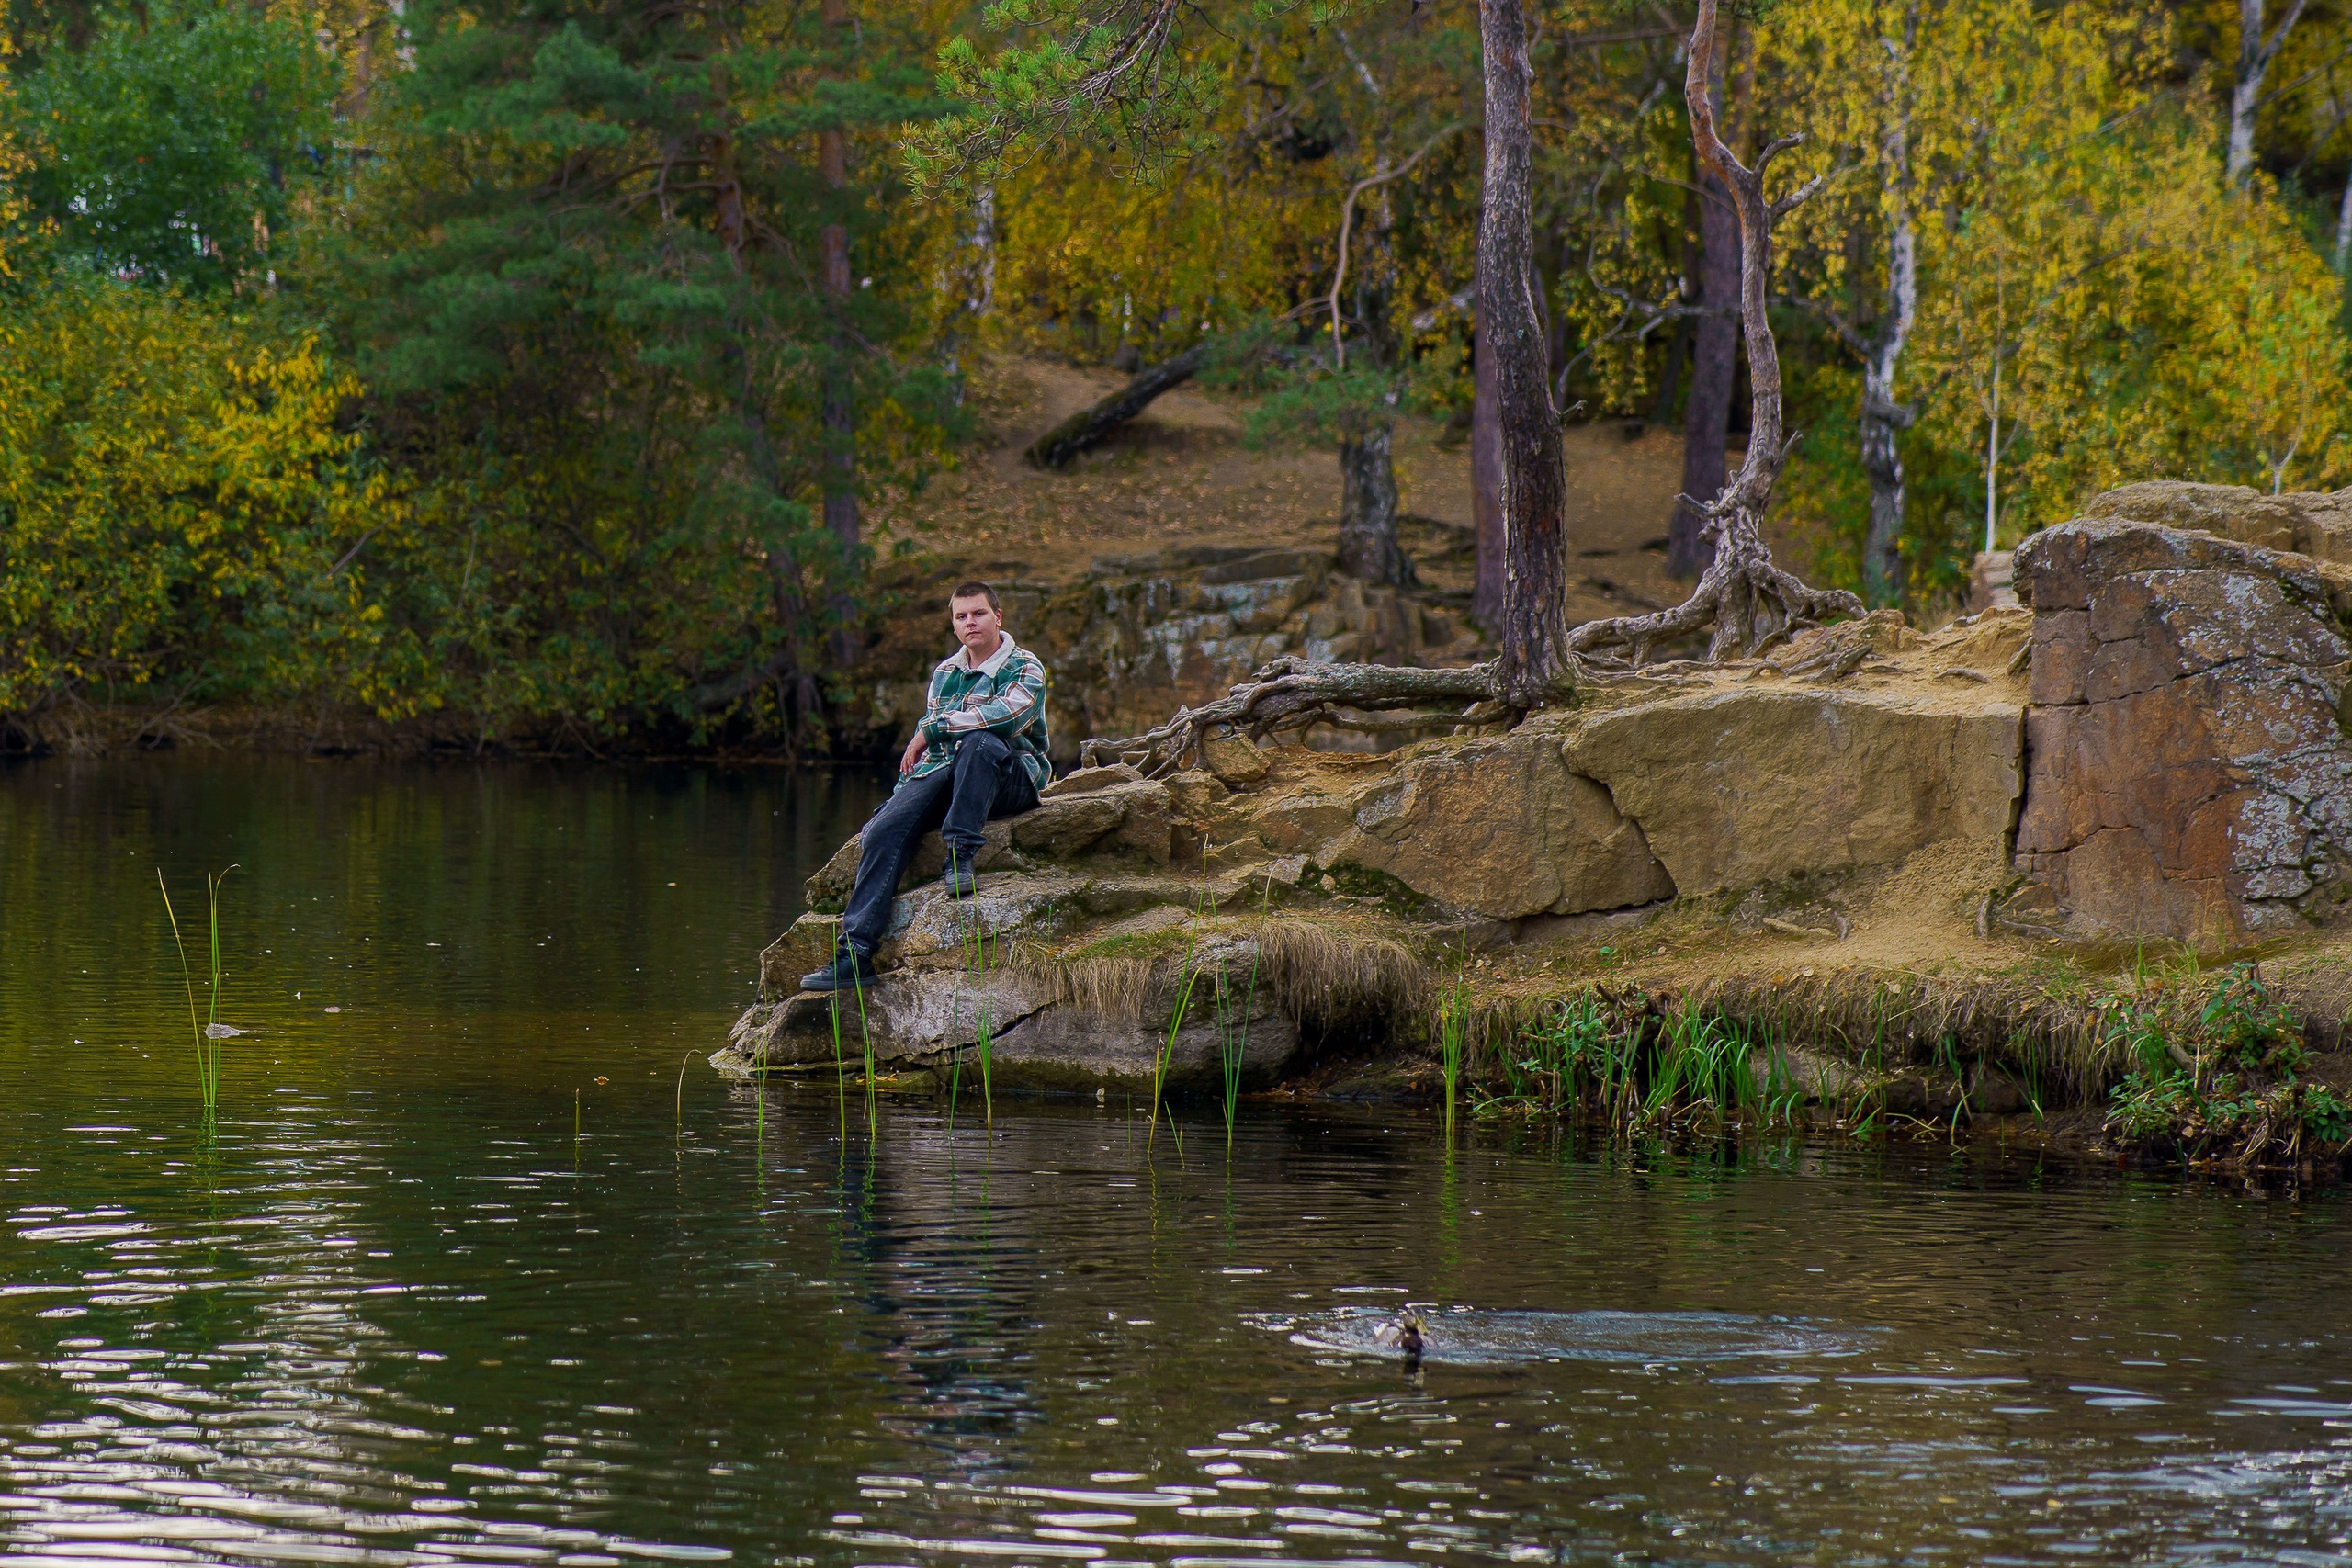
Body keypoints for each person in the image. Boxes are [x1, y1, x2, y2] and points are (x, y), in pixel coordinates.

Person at [801, 581, 1053, 992]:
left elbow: (1007, 719)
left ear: (997, 617)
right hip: (952, 775)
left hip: (1011, 778)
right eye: (961, 616)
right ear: (953, 625)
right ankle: (856, 955)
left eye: (979, 614)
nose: (970, 622)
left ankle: (959, 855)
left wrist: (933, 728)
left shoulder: (1025, 666)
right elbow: (931, 756)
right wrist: (901, 801)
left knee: (980, 741)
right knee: (884, 830)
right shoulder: (945, 673)